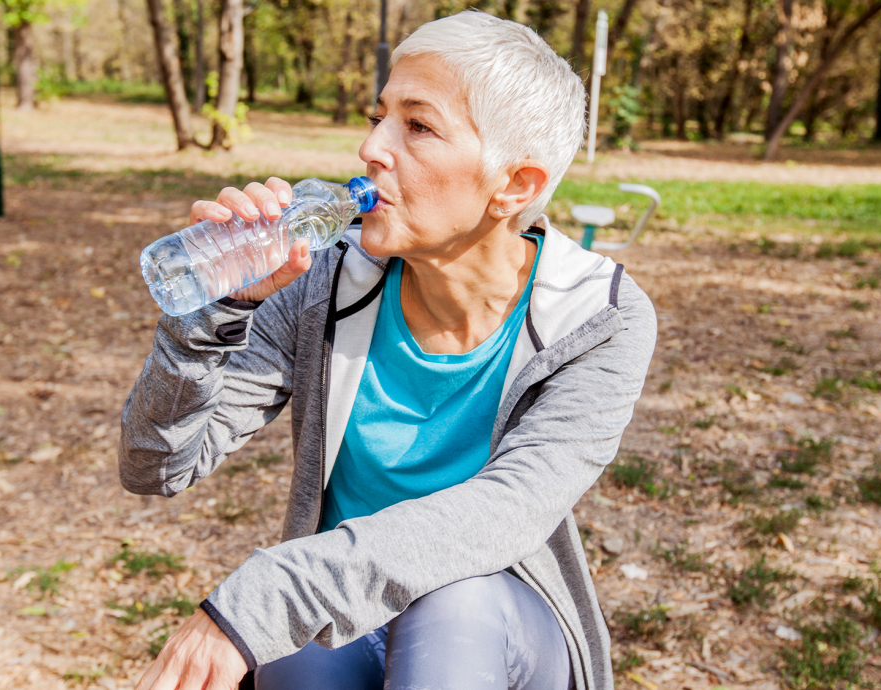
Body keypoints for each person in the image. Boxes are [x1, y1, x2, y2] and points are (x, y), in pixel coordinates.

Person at [119, 10, 657, 690]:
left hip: (501, 628)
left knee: (454, 602)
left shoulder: (599, 318)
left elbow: (496, 517)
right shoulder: (323, 279)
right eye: (378, 117)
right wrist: (217, 312)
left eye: (418, 125)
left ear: (514, 185)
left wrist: (269, 588)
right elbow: (154, 466)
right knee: (290, 659)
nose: (373, 147)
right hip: (340, 612)